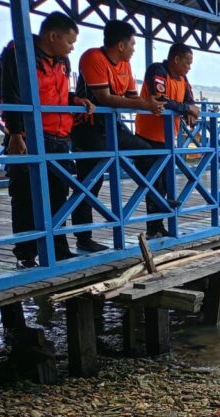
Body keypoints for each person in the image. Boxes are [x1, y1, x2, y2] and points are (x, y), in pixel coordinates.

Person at [0, 12, 94, 267]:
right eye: (70, 42)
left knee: (57, 195)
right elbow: (10, 94)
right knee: (25, 196)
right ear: (53, 36)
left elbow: (54, 94)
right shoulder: (18, 54)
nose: (72, 48)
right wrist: (15, 133)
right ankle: (26, 254)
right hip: (30, 136)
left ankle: (58, 249)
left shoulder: (61, 61)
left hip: (59, 137)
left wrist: (75, 99)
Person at [70, 19, 165, 252]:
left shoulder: (125, 65)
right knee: (89, 182)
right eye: (132, 44)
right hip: (89, 127)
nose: (134, 49)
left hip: (113, 125)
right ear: (121, 45)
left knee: (150, 154)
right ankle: (83, 238)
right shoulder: (93, 58)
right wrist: (145, 105)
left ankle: (156, 202)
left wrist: (145, 103)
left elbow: (132, 97)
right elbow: (105, 98)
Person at [135, 42, 199, 238]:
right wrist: (186, 109)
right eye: (187, 62)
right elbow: (160, 98)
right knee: (154, 183)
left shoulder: (183, 79)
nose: (189, 67)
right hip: (148, 136)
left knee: (162, 183)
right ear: (176, 59)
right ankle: (151, 228)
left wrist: (189, 109)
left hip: (168, 138)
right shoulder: (157, 70)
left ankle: (157, 226)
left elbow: (190, 100)